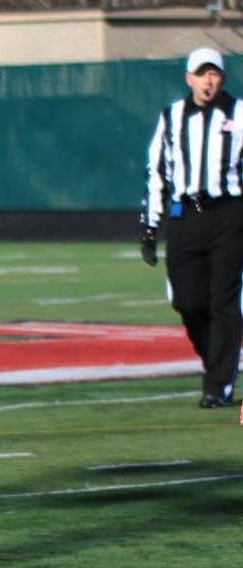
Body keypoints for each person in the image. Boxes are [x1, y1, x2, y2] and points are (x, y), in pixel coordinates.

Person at [141, 46, 243, 408]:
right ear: (189, 79)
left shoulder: (239, 113)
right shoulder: (172, 116)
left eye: (214, 73)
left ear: (223, 79)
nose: (208, 80)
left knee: (223, 300)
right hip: (186, 216)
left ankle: (219, 384)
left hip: (228, 214)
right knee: (187, 300)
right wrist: (149, 229)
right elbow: (157, 173)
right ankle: (217, 359)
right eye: (202, 74)